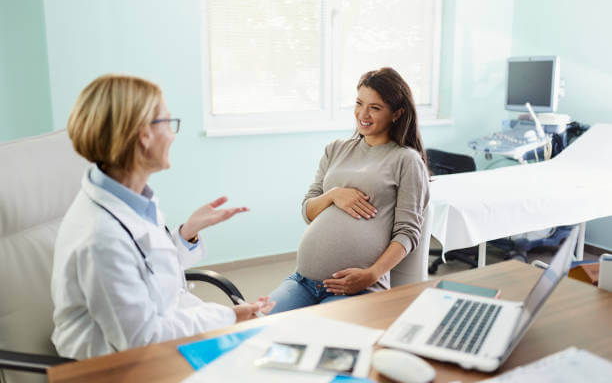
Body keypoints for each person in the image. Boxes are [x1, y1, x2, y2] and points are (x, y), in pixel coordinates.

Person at [51, 74, 274, 359]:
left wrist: (186, 234)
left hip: (157, 341)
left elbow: (147, 269)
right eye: (168, 122)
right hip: (115, 366)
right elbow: (143, 339)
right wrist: (228, 316)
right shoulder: (101, 236)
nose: (172, 133)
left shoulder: (131, 197)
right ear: (144, 135)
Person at [269, 67, 429, 313]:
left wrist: (371, 275)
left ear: (396, 113)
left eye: (375, 108)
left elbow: (408, 233)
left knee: (320, 342)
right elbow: (308, 211)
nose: (363, 114)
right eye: (359, 103)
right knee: (258, 325)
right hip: (303, 281)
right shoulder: (336, 149)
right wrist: (334, 194)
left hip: (359, 286)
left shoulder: (406, 160)